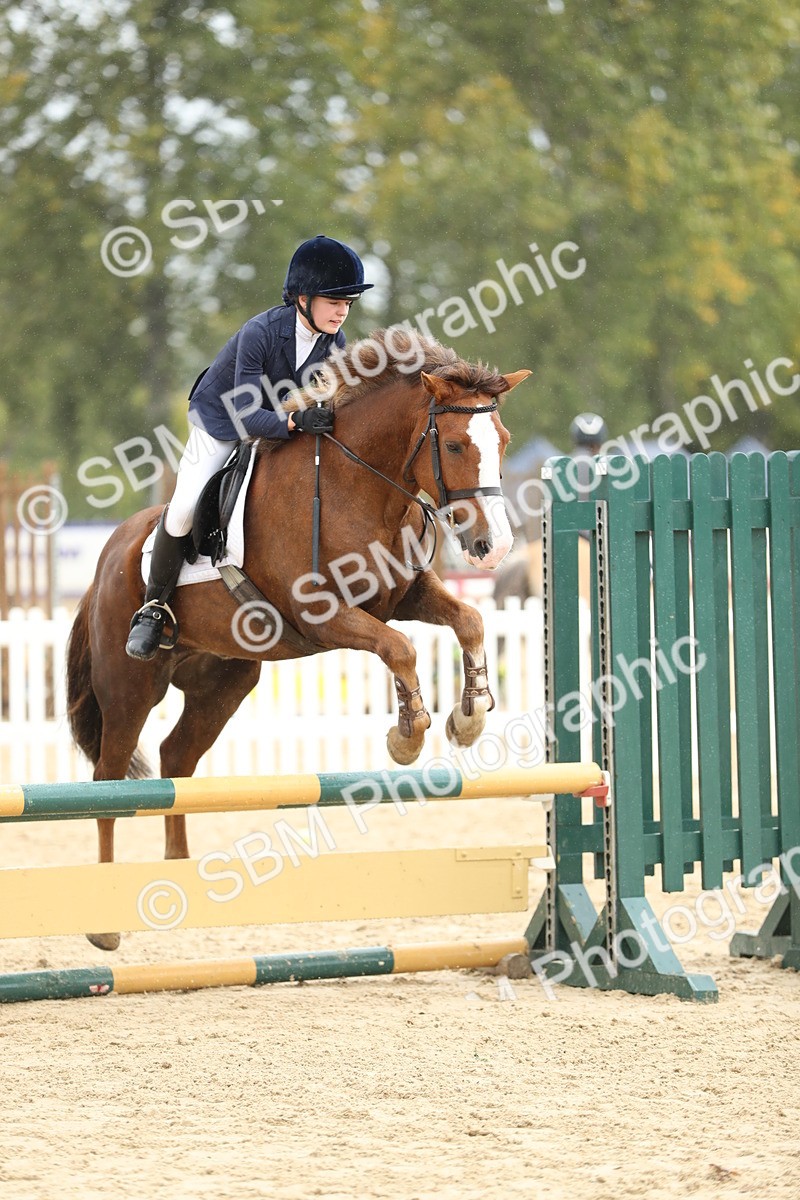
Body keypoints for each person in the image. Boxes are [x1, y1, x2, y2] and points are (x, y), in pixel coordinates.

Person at [125, 234, 373, 661]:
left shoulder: (334, 340)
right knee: (185, 506)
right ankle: (153, 606)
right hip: (222, 422)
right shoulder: (261, 332)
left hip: (278, 422)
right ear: (301, 297)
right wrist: (296, 420)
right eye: (333, 300)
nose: (341, 310)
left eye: (347, 302)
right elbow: (244, 416)